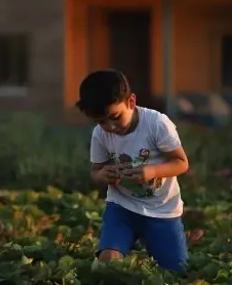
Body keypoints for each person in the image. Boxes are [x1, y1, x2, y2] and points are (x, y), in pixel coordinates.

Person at [76, 69, 190, 272]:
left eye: (115, 117)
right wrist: (103, 176)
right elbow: (96, 171)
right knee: (107, 264)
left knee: (175, 271)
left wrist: (152, 172)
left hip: (162, 210)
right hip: (122, 208)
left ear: (131, 101)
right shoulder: (100, 135)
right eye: (101, 121)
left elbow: (181, 163)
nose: (110, 127)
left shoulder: (156, 124)